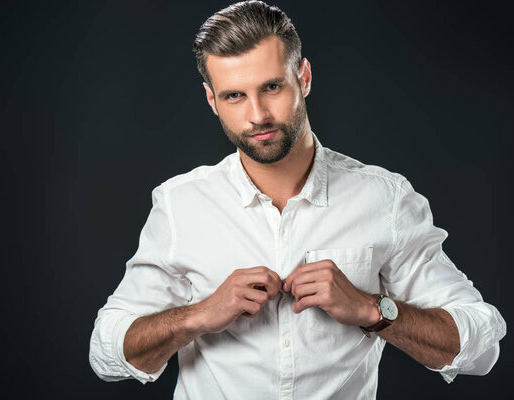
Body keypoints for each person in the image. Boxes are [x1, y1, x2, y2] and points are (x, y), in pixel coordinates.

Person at [89, 1, 506, 398]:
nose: (257, 115)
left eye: (272, 87)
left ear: (303, 77)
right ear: (211, 100)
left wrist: (371, 310)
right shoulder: (181, 205)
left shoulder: (385, 199)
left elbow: (481, 345)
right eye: (234, 95)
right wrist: (199, 315)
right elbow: (105, 354)